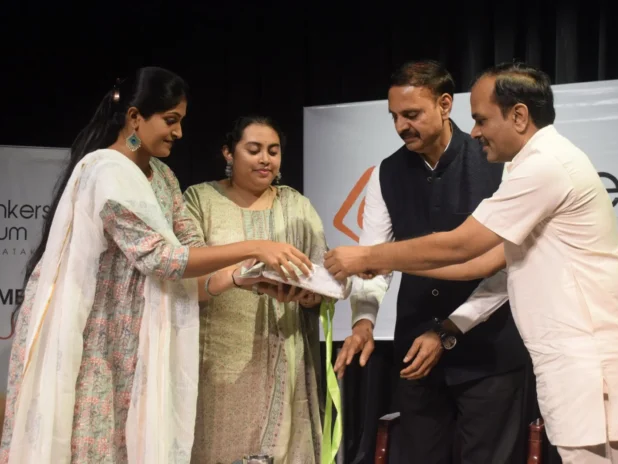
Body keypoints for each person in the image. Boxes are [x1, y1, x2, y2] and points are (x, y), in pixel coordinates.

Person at [324, 62, 618, 464]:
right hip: (579, 364)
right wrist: (374, 288)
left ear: (518, 116)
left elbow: (462, 246)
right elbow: (481, 263)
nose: (476, 131)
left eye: (482, 119)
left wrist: (368, 257)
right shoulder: (535, 161)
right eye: (394, 116)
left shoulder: (540, 166)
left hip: (587, 362)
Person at [0, 68, 312, 464]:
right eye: (170, 120)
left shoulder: (163, 176)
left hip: (145, 339)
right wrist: (256, 247)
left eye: (180, 121)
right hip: (101, 340)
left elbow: (192, 252)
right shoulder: (106, 171)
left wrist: (243, 275)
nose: (178, 132)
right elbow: (162, 258)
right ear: (134, 117)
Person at [333, 60, 530, 464]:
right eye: (394, 117)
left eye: (411, 114)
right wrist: (363, 321)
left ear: (444, 105)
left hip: (490, 355)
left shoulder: (500, 163)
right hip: (415, 358)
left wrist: (448, 330)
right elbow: (374, 262)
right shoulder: (385, 173)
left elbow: (505, 268)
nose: (401, 126)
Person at [183, 116, 327, 464]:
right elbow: (184, 280)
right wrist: (236, 273)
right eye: (254, 150)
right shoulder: (200, 200)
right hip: (217, 363)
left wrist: (311, 297)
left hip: (286, 357)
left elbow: (323, 276)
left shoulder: (296, 205)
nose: (265, 159)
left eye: (273, 151)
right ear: (228, 153)